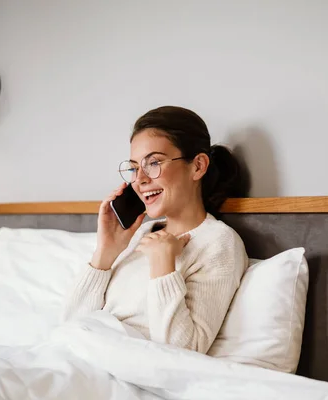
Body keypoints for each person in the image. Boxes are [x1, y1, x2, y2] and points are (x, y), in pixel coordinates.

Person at [62, 106, 249, 354]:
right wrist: (105, 254)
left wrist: (163, 266)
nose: (139, 179)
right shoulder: (139, 233)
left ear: (198, 166)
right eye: (134, 168)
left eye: (153, 163)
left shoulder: (219, 242)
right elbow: (71, 326)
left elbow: (184, 351)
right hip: (82, 359)